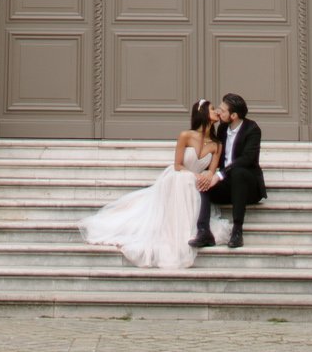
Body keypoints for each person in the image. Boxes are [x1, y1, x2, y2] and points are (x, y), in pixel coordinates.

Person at [79, 100, 221, 270]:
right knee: (182, 180)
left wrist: (207, 176)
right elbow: (178, 165)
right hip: (179, 177)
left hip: (196, 183)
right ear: (203, 113)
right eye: (213, 109)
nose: (217, 112)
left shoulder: (216, 144)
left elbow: (212, 171)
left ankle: (194, 230)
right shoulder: (186, 135)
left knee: (194, 185)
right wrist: (196, 176)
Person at [190, 92, 266, 250]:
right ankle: (203, 231)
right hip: (227, 187)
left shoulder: (252, 129)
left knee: (238, 173)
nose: (218, 111)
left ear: (234, 115)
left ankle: (237, 231)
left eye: (222, 110)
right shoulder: (223, 128)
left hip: (248, 187)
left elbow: (247, 159)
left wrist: (220, 174)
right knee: (204, 182)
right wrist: (209, 174)